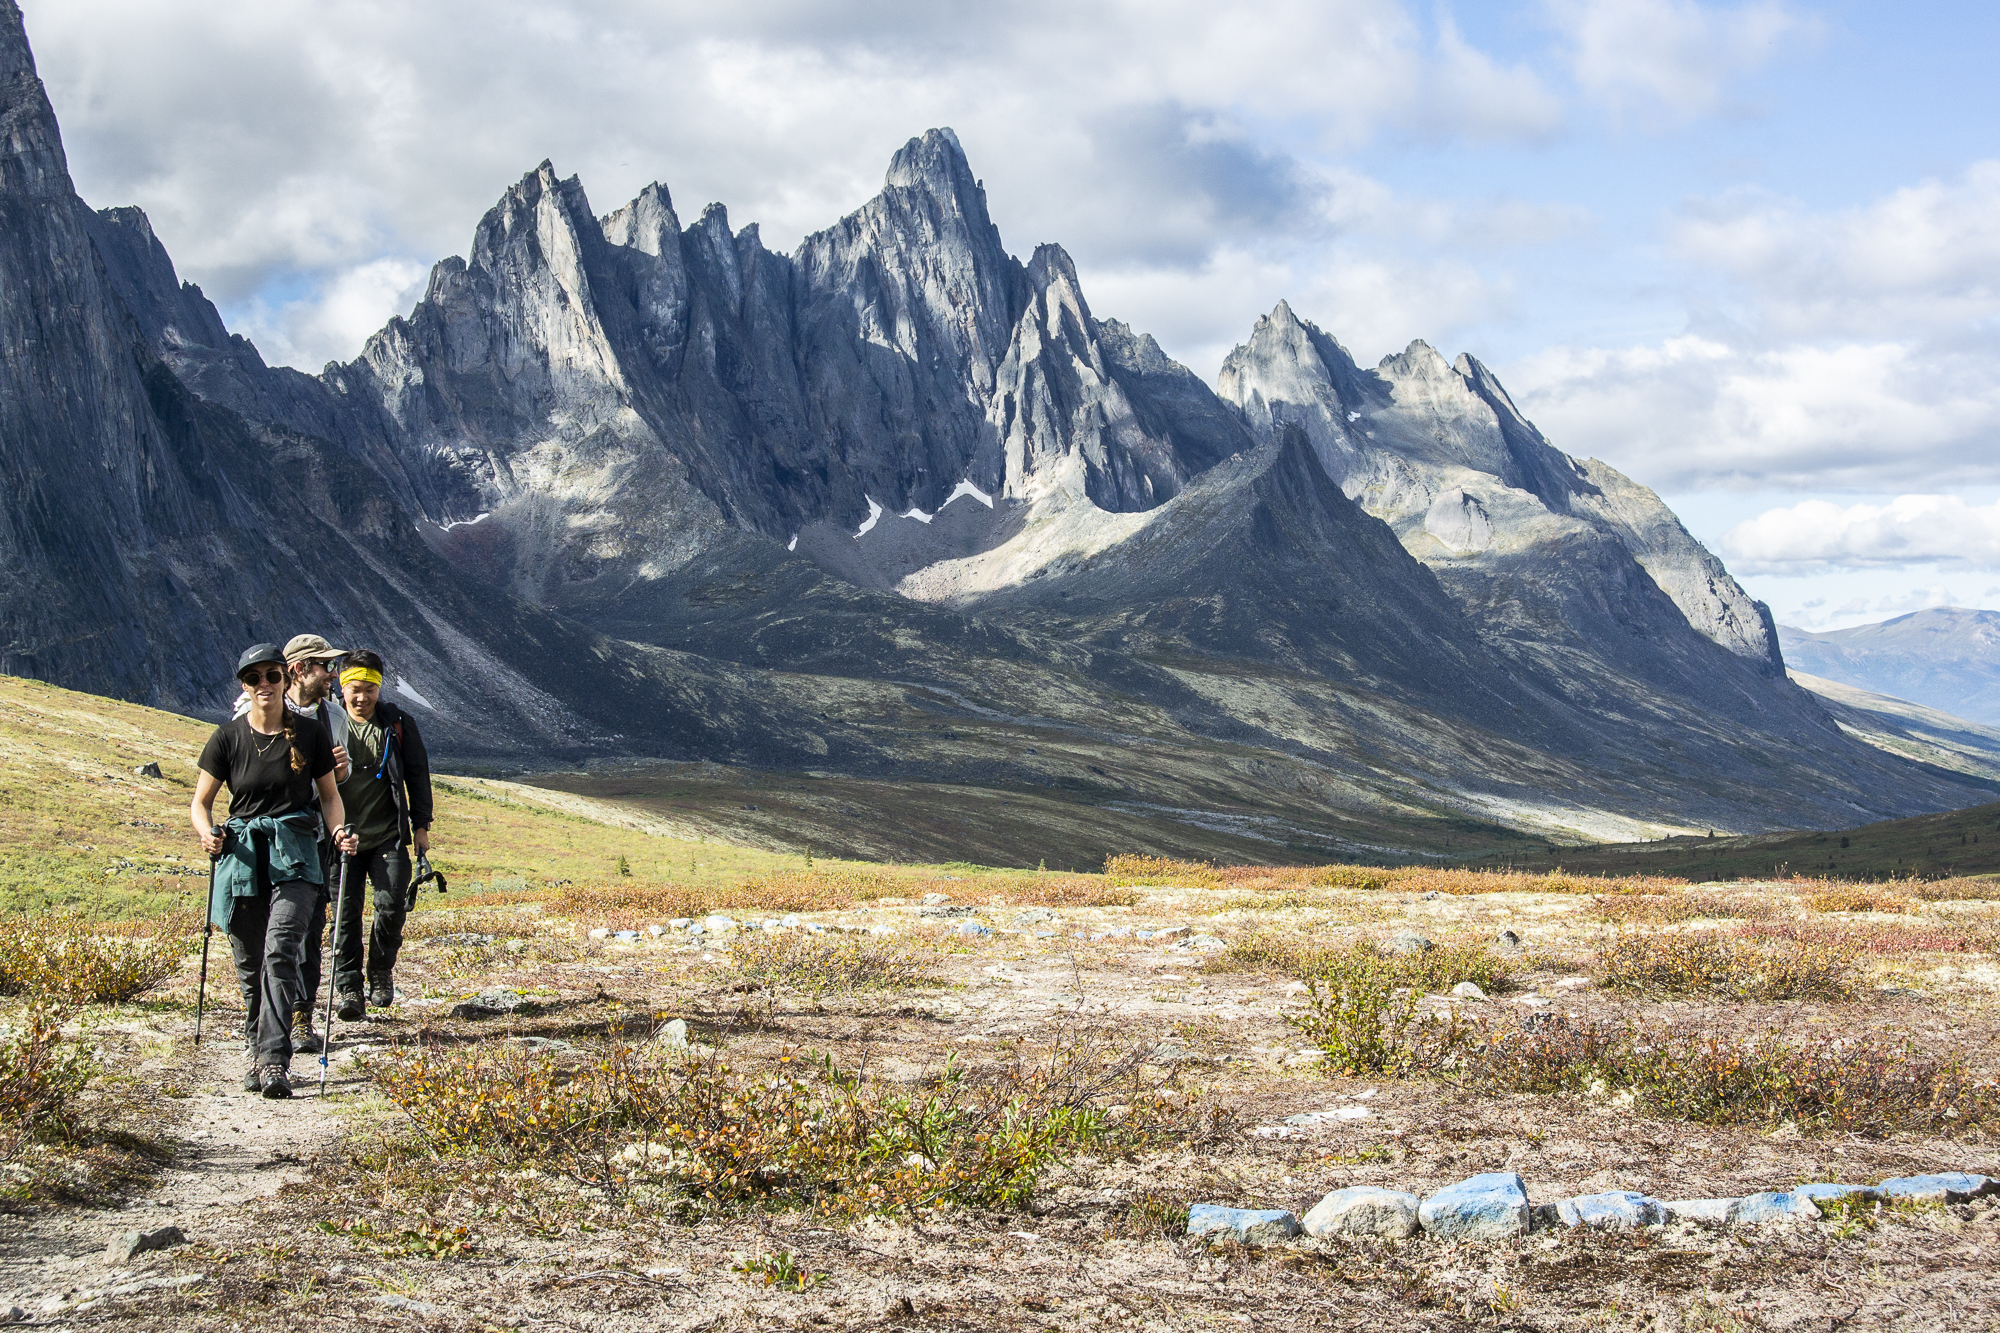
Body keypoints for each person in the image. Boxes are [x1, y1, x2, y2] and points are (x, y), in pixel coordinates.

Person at [192, 644, 360, 1098]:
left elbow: (329, 796)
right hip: (243, 857)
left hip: (296, 855)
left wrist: (340, 831)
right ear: (244, 685)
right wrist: (207, 833)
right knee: (249, 963)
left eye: (271, 675)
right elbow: (201, 803)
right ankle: (257, 1044)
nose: (263, 684)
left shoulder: (309, 735)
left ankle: (273, 1061)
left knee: (281, 950)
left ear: (285, 679)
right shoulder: (226, 738)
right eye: (253, 678)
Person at [331, 649, 433, 1019]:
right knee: (345, 914)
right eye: (355, 689)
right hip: (340, 839)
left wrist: (421, 827)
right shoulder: (328, 724)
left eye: (369, 689)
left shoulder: (398, 724)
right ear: (342, 688)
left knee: (391, 906)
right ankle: (348, 987)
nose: (362, 698)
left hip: (387, 836)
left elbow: (417, 775)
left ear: (379, 687)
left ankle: (379, 972)